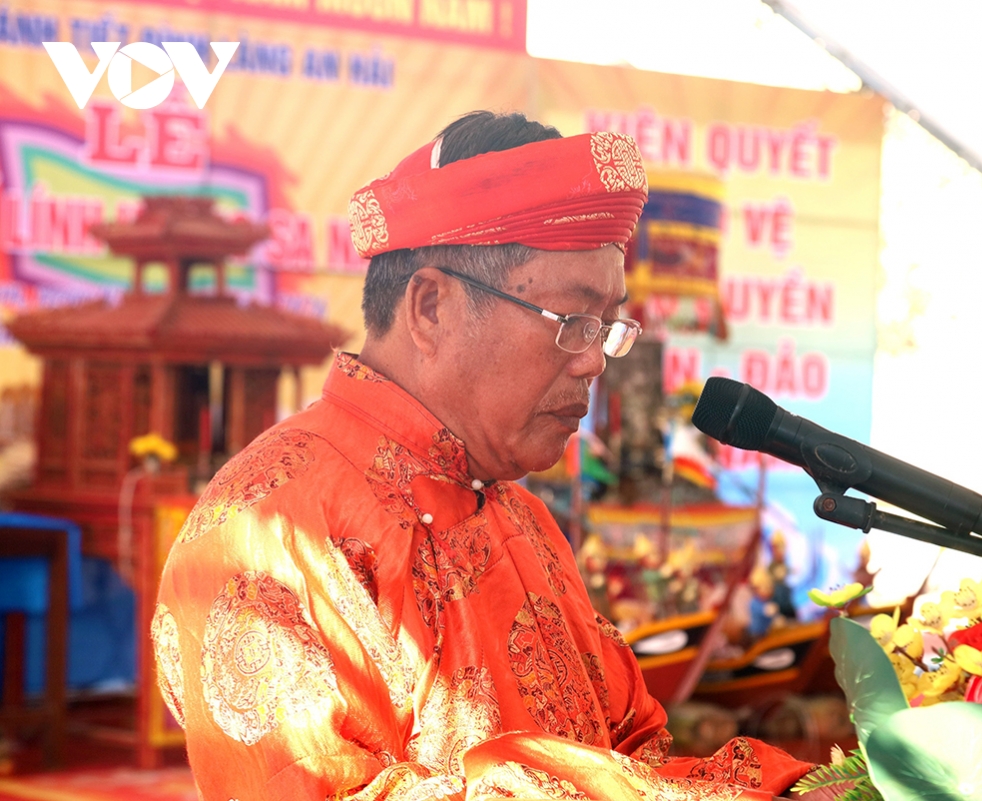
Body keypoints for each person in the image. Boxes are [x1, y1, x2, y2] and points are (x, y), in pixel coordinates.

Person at [153, 111, 812, 801]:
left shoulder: (525, 520)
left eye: (608, 326)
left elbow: (635, 759)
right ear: (432, 307)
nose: (594, 360)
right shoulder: (268, 528)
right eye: (572, 323)